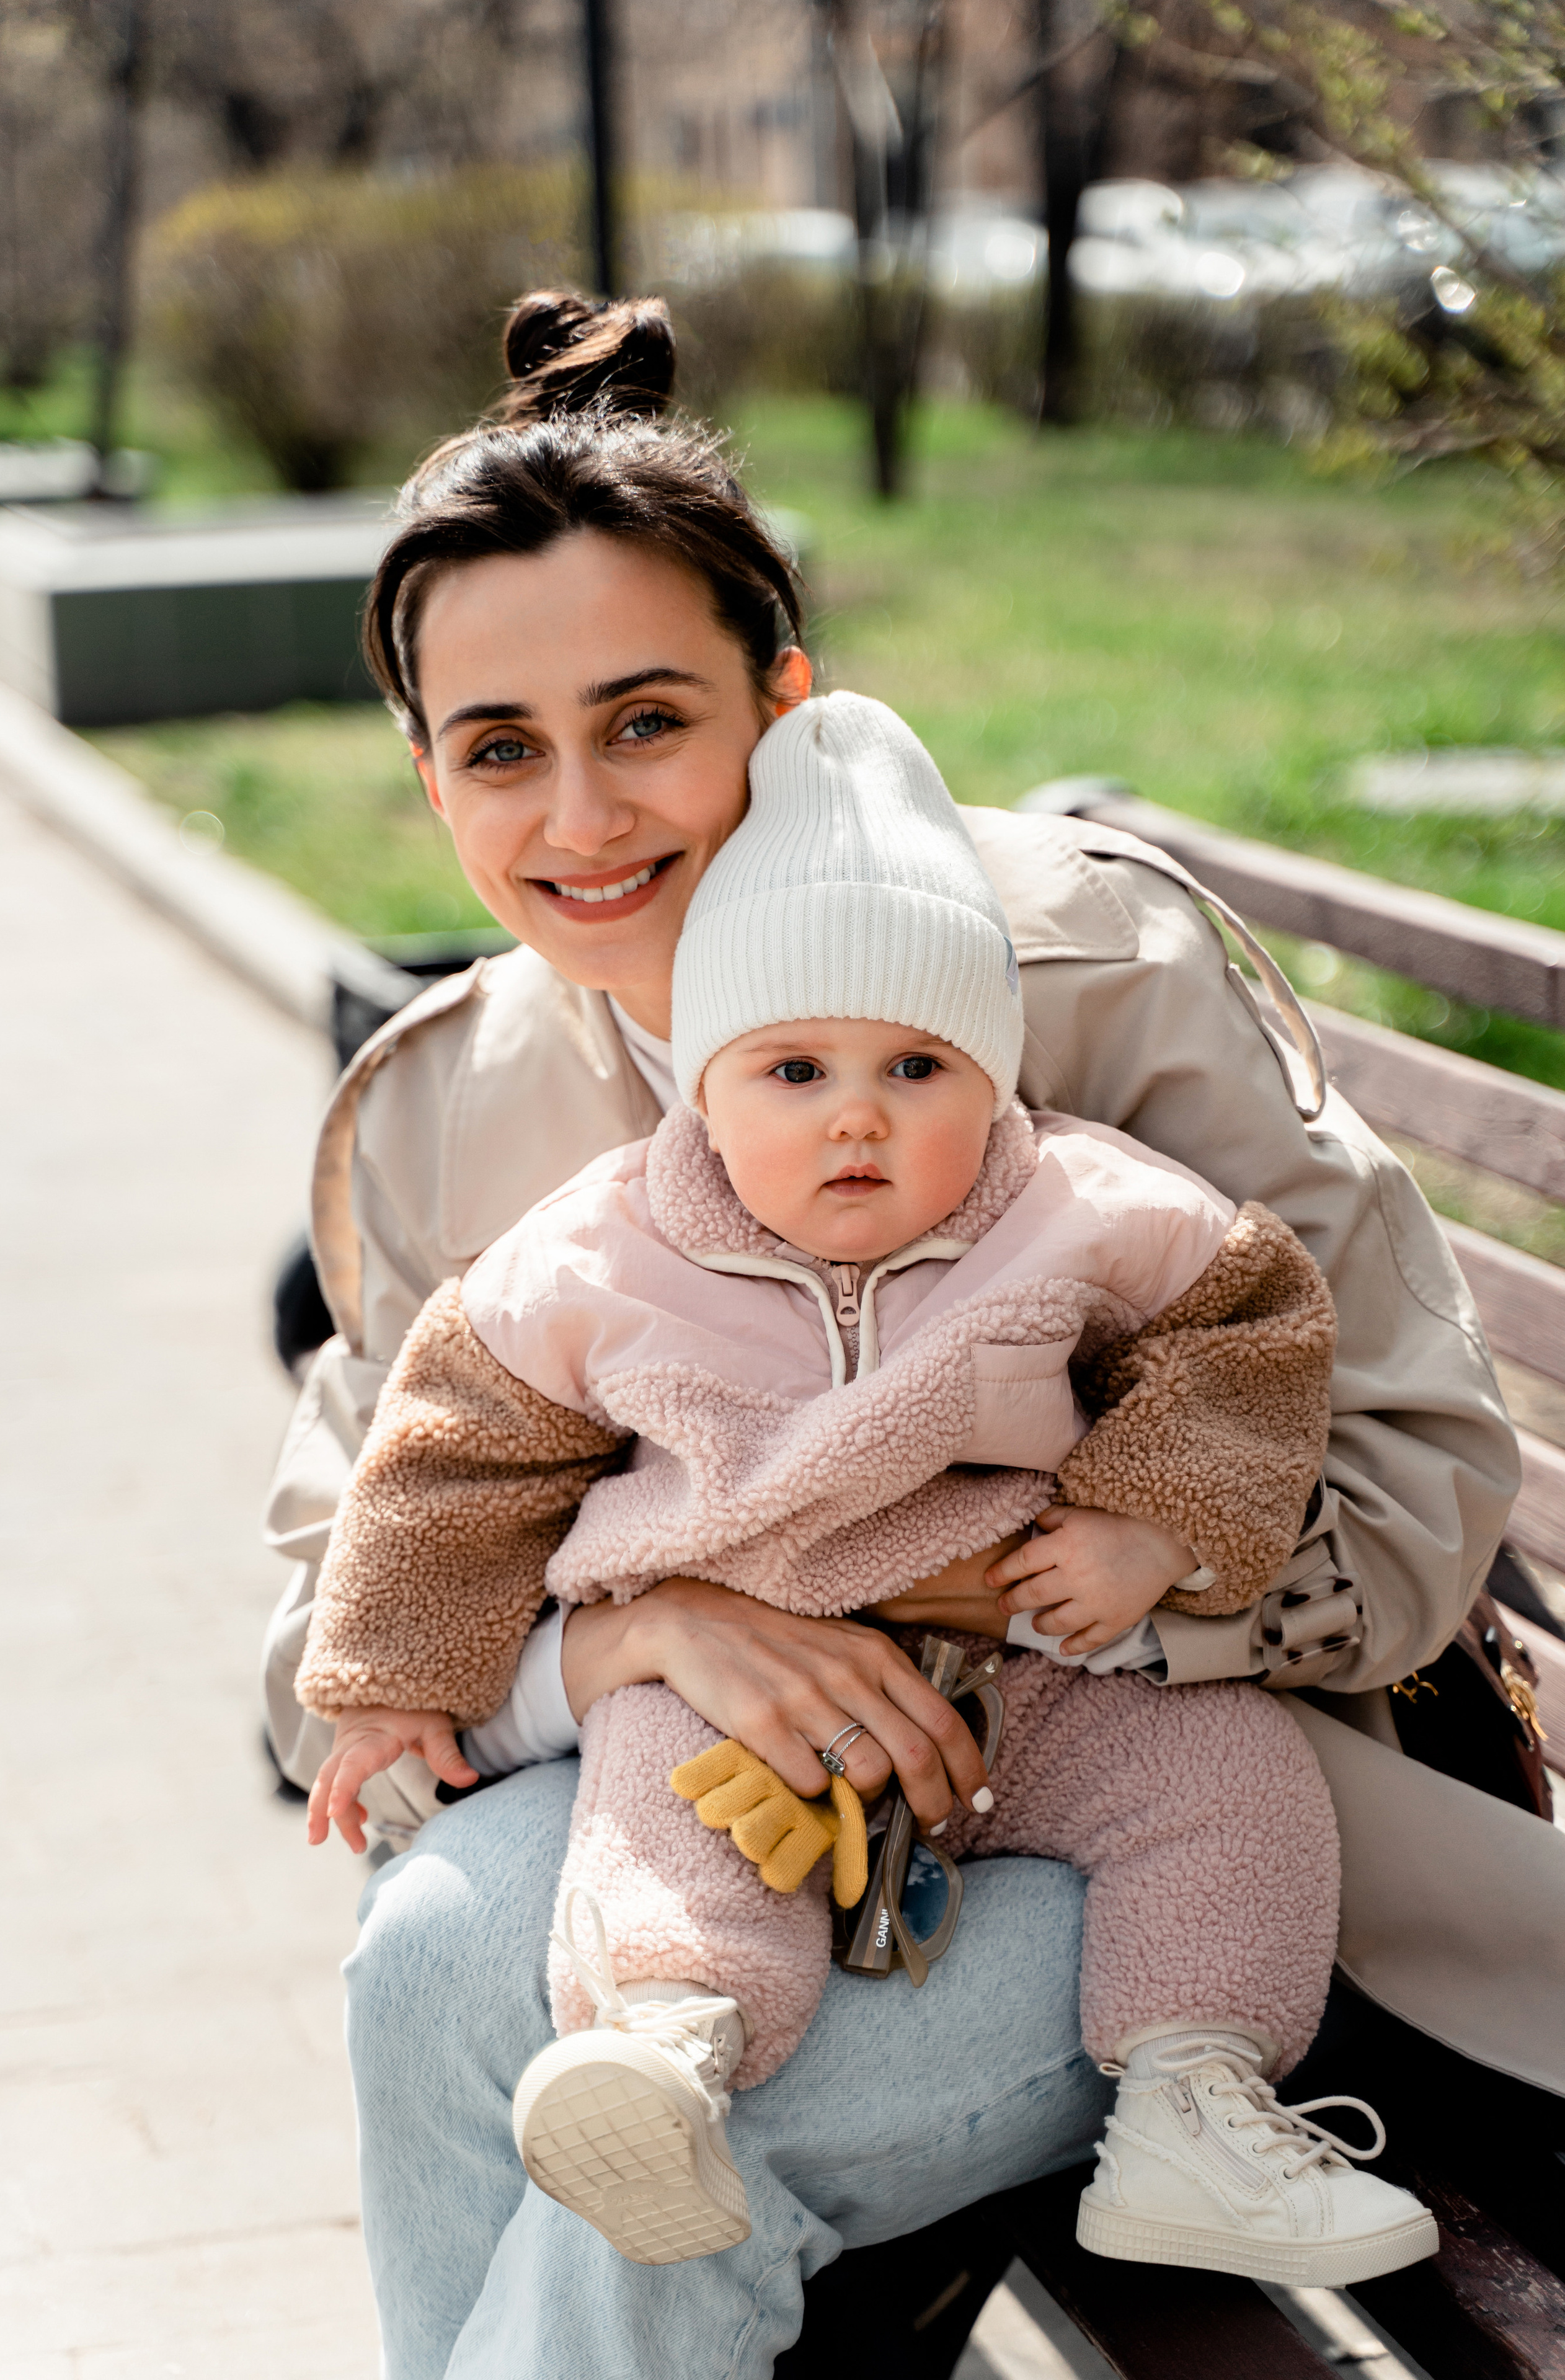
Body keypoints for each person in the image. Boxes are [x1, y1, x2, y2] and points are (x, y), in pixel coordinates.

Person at [258, 290, 1550, 2379]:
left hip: (1165, 1828)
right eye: (500, 750)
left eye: (649, 719)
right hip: (697, 1825)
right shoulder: (449, 1110)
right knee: (428, 1963)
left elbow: (1415, 1485)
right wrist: (642, 1638)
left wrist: (1001, 1593)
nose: (580, 818)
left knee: (657, 2188)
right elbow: (320, 1649)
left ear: (788, 700)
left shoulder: (1079, 965)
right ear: (428, 781)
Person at [298, 688, 1438, 2291]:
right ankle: (665, 2051)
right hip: (735, 1683)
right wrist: (392, 1681)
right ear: (705, 1084)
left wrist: (1152, 1521)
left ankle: (1194, 2093)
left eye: (918, 1065)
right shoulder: (603, 1252)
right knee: (673, 1849)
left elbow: (1244, 1329)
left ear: (993, 1078)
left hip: (1030, 1676)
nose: (857, 1114)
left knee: (1229, 1788)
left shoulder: (1076, 1211)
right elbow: (450, 1460)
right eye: (791, 1071)